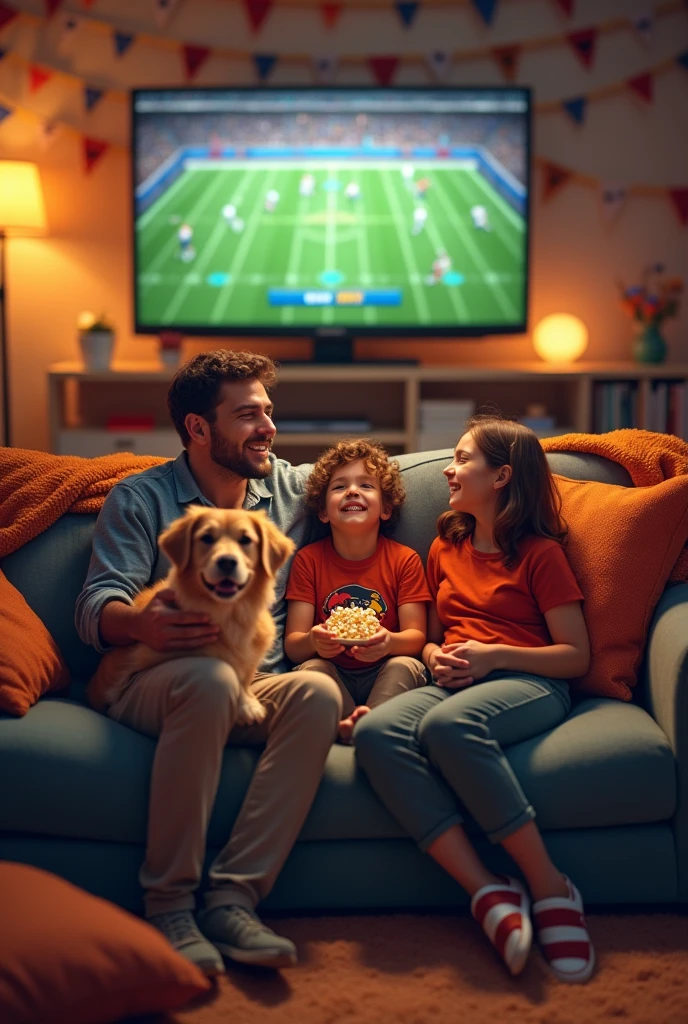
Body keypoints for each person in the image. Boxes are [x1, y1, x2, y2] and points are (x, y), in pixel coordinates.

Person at [75, 350, 342, 976]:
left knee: (318, 695)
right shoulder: (141, 500)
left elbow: (366, 483)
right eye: (247, 415)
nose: (268, 429)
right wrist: (140, 622)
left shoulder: (292, 490)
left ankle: (233, 898)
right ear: (199, 428)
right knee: (208, 677)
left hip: (254, 684)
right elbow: (94, 607)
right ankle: (169, 903)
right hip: (157, 682)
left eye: (269, 413)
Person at [355, 413, 596, 984]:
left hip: (529, 681)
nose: (448, 468)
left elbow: (576, 656)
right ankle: (487, 890)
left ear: (503, 476)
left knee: (448, 728)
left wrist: (495, 656)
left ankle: (548, 885)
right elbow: (438, 634)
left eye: (463, 459)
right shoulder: (445, 544)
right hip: (456, 679)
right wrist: (434, 656)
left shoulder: (540, 555)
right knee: (376, 733)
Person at [284, 440, 430, 743]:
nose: (352, 491)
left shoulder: (405, 560)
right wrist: (314, 640)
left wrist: (388, 643)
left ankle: (364, 728)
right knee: (311, 668)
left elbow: (416, 639)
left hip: (386, 670)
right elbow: (294, 646)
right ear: (323, 512)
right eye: (339, 487)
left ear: (386, 508)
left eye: (366, 485)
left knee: (405, 665)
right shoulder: (308, 560)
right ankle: (356, 726)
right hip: (332, 673)